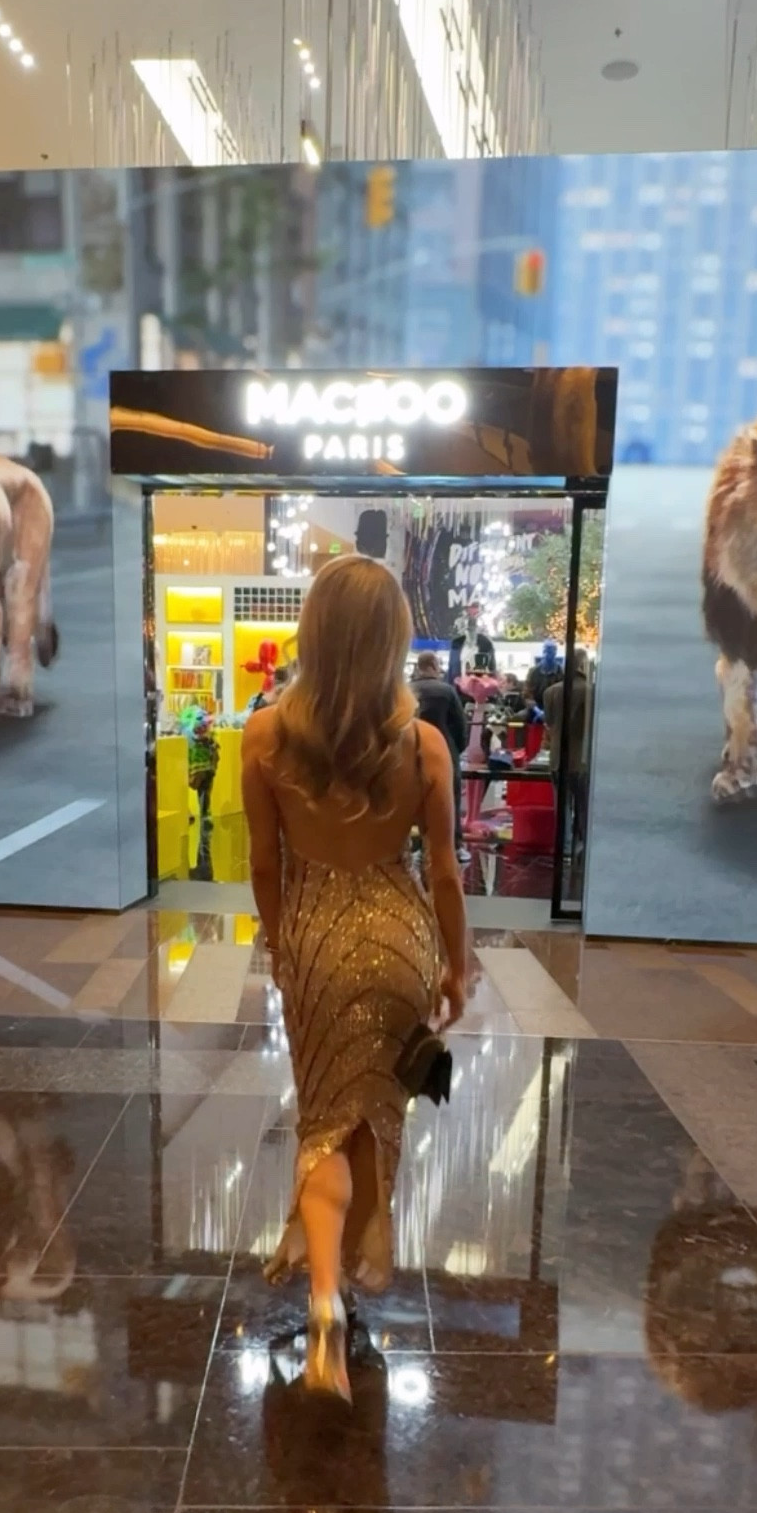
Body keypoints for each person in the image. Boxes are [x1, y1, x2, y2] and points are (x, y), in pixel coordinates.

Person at [242, 555, 467, 1405]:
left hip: (314, 938)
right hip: (402, 938)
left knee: (323, 1116)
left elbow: (266, 865)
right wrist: (457, 960)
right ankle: (362, 1255)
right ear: (391, 641)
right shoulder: (424, 744)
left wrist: (287, 939)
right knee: (374, 1116)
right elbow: (443, 873)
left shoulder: (265, 736)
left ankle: (326, 1303)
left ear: (314, 633)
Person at [411, 649, 469, 860]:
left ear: (419, 666)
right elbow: (460, 726)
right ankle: (454, 846)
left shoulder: (407, 690)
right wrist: (456, 750)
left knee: (417, 801)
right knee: (450, 798)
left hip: (414, 751)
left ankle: (418, 845)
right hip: (445, 750)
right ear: (435, 665)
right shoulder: (447, 691)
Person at [543, 647, 590, 847]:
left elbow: (550, 724)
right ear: (582, 665)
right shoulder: (591, 690)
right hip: (582, 759)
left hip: (557, 758)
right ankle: (581, 846)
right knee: (583, 807)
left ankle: (563, 848)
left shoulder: (550, 692)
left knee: (561, 807)